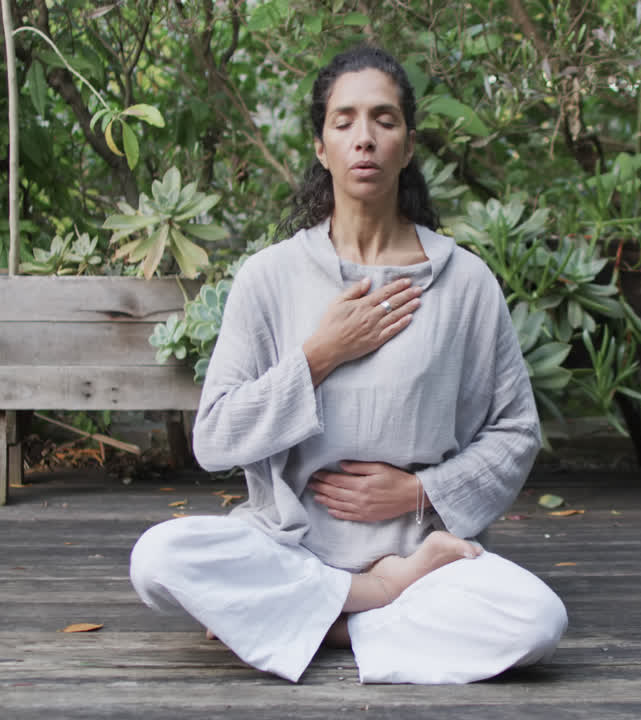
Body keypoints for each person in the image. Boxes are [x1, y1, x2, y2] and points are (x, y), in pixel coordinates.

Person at [129, 45, 567, 685]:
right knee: (158, 558)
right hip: (290, 547)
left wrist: (421, 492)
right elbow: (216, 438)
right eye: (345, 121)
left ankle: (302, 622)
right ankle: (369, 601)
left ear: (408, 145)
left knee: (536, 621)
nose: (365, 138)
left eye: (384, 120)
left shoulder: (465, 282)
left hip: (422, 554)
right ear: (321, 145)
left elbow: (516, 431)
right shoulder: (270, 278)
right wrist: (319, 355)